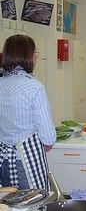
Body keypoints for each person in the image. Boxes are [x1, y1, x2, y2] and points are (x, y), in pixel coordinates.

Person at [0, 34, 56, 190]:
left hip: (3, 161)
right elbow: (48, 137)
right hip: (25, 162)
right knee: (34, 203)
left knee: (9, 203)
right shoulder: (34, 87)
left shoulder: (1, 83)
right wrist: (47, 141)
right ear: (28, 56)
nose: (36, 57)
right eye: (35, 52)